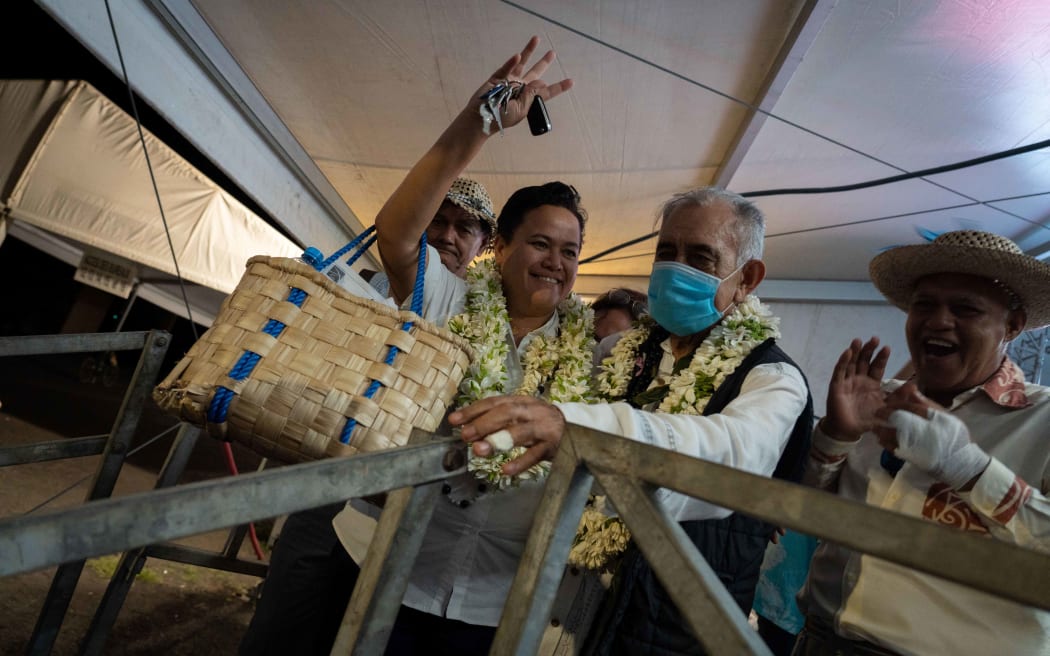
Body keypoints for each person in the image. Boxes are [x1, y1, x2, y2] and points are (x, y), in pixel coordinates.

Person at [313, 37, 599, 655]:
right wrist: (481, 122)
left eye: (571, 251)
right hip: (386, 560)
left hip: (493, 600)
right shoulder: (447, 298)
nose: (557, 263)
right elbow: (396, 237)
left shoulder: (594, 354)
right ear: (500, 247)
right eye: (541, 244)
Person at [451, 186, 815, 655]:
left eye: (700, 258)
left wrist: (578, 429)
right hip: (555, 619)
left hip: (664, 637)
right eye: (667, 252)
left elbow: (737, 451)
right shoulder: (617, 353)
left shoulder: (774, 378)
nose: (675, 269)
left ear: (747, 278)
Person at [238, 178, 497, 655]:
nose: (447, 234)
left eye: (465, 227)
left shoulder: (484, 318)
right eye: (437, 219)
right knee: (285, 623)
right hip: (332, 482)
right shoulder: (377, 284)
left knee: (352, 634)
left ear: (485, 244)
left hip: (409, 519)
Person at [795, 230, 1050, 655]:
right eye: (924, 305)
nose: (938, 321)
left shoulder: (1042, 420)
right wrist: (836, 436)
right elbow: (799, 514)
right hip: (821, 640)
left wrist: (967, 466)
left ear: (1013, 325)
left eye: (966, 308)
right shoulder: (876, 398)